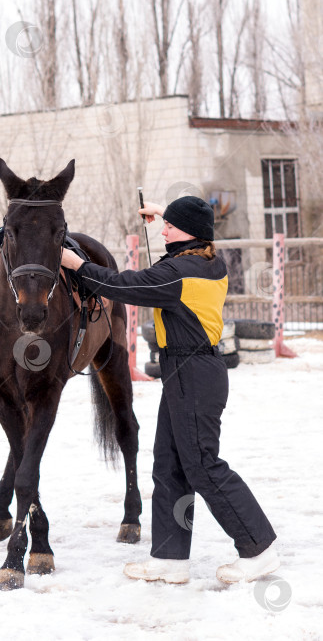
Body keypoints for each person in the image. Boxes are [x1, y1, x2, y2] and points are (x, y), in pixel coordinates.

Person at [61, 195, 279, 584]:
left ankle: (258, 549)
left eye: (169, 227)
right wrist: (168, 213)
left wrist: (78, 266)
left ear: (190, 235)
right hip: (186, 372)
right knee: (169, 464)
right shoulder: (210, 260)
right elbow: (192, 234)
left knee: (202, 466)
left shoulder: (179, 273)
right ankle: (169, 559)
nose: (162, 231)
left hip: (194, 373)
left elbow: (120, 284)